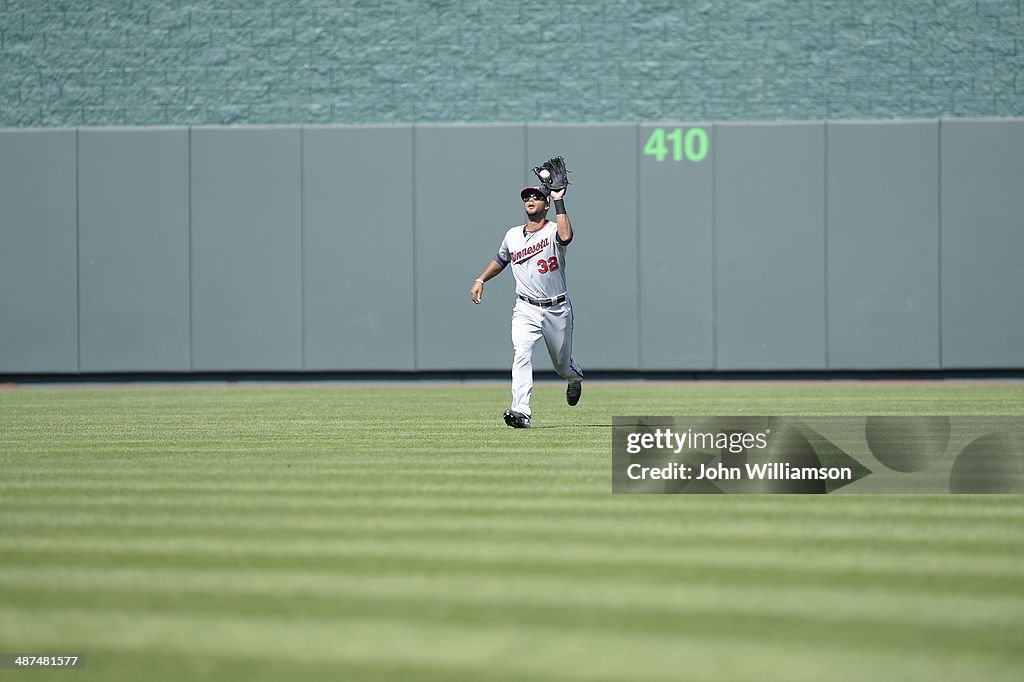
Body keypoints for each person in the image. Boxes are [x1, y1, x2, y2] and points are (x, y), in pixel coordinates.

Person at [470, 184, 584, 428]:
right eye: (527, 197)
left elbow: (566, 237)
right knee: (521, 353)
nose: (531, 200)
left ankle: (574, 378)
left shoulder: (554, 229)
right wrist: (481, 279)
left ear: (546, 205)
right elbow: (502, 259)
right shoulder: (512, 234)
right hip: (525, 308)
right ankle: (521, 412)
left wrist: (559, 200)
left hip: (556, 308)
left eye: (537, 197)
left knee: (562, 366)